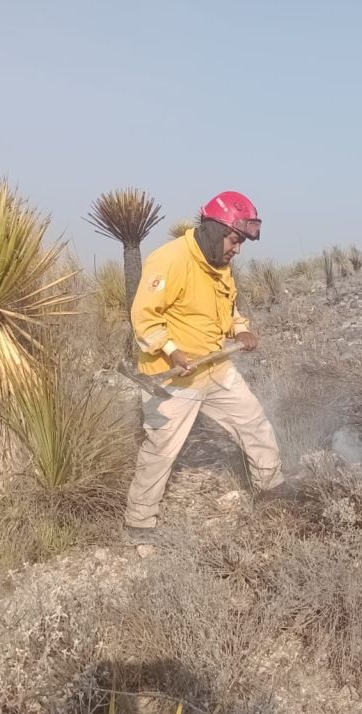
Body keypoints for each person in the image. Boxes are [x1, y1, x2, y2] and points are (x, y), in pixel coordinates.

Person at [123, 191, 289, 544]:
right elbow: (144, 318)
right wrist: (171, 350)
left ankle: (271, 492)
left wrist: (240, 329)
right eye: (235, 239)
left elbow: (227, 311)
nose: (237, 249)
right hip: (173, 378)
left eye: (241, 242)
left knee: (254, 424)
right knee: (161, 450)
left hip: (214, 368)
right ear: (215, 230)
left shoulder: (220, 265)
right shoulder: (169, 260)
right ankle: (139, 525)